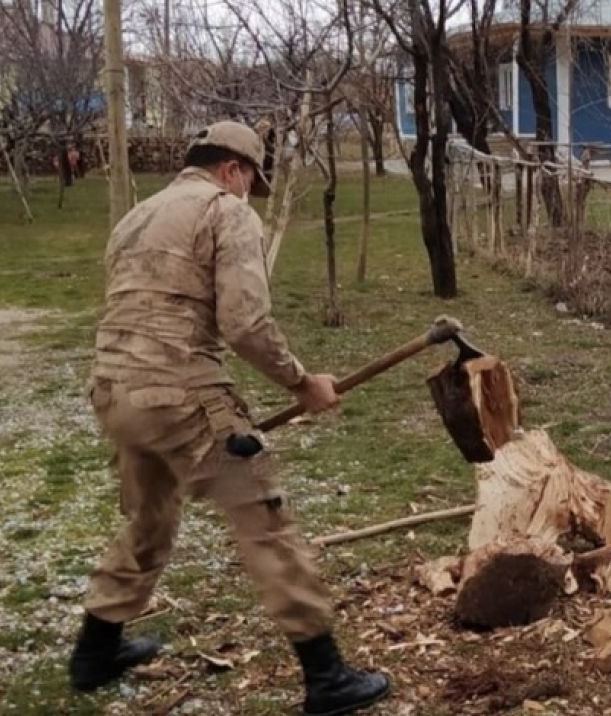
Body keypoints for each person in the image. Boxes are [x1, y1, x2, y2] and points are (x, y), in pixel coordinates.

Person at [69, 121, 390, 716]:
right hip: (181, 396)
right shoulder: (226, 210)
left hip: (114, 391)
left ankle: (94, 652)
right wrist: (302, 381)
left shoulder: (138, 215)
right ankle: (327, 677)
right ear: (233, 170)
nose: (249, 194)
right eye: (250, 181)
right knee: (266, 521)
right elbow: (245, 322)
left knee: (150, 516)